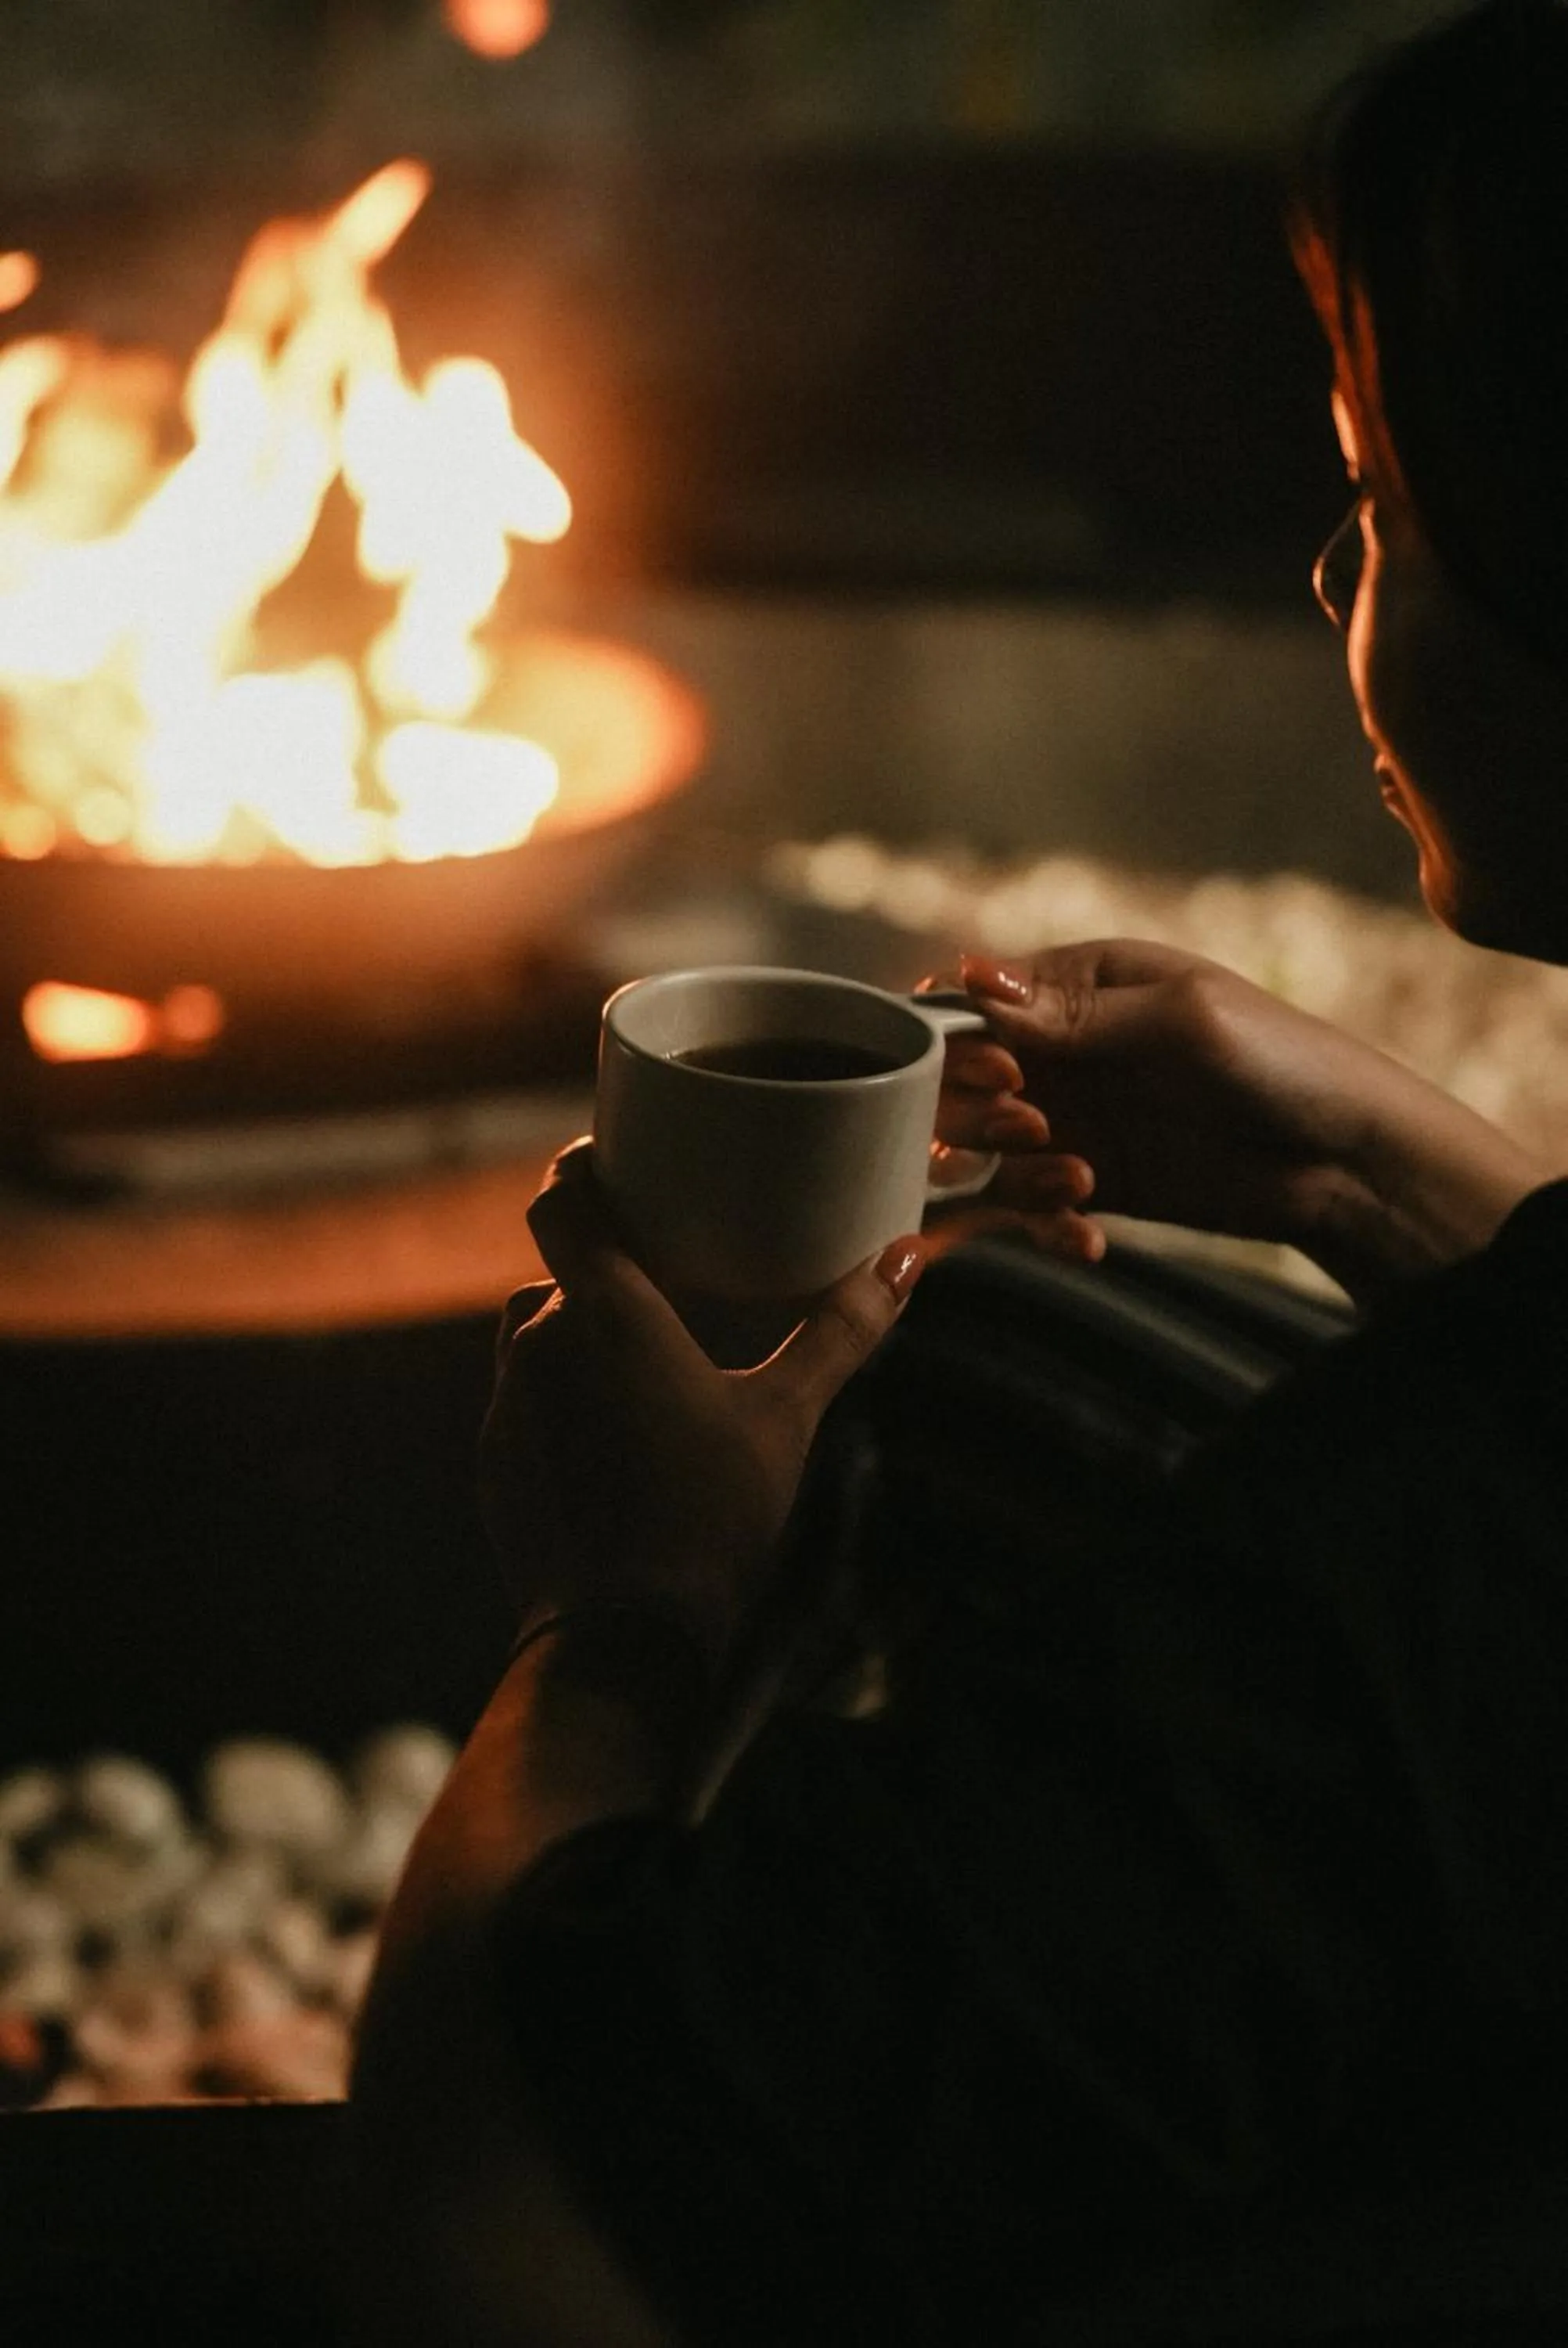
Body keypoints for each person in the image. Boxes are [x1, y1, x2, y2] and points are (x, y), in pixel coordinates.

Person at [348, 5, 1568, 2341]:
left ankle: (838, 2061)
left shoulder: (1449, 1556)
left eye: (1386, 508)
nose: (1335, 582)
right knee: (978, 1336)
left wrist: (623, 1614)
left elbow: (488, 2233)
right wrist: (1358, 1159)